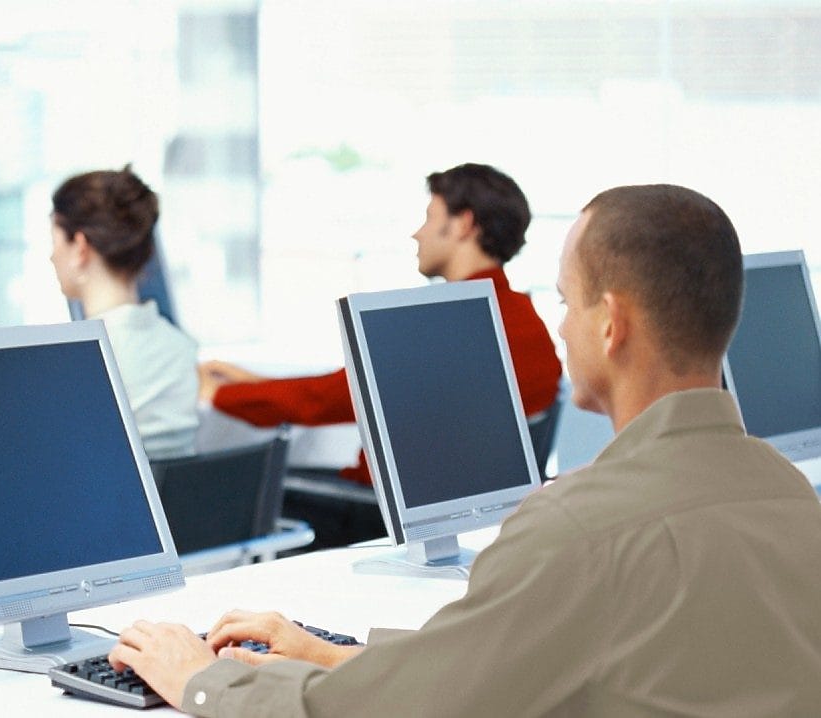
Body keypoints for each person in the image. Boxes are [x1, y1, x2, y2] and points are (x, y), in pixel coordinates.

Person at [109, 184, 821, 716]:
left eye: (569, 303)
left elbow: (393, 713)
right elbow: (544, 661)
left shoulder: (578, 532)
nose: (561, 327)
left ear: (613, 325)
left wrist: (199, 680)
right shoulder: (792, 502)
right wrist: (336, 653)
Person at [200, 163, 562, 546]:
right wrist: (254, 381)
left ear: (462, 225)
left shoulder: (443, 322)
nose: (416, 233)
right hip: (471, 525)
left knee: (239, 489)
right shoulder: (526, 325)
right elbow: (352, 387)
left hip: (380, 516)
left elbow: (327, 401)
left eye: (428, 218)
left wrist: (217, 394)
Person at [51, 166, 199, 459]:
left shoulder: (75, 362)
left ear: (80, 248)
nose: (51, 256)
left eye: (55, 242)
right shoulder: (181, 348)